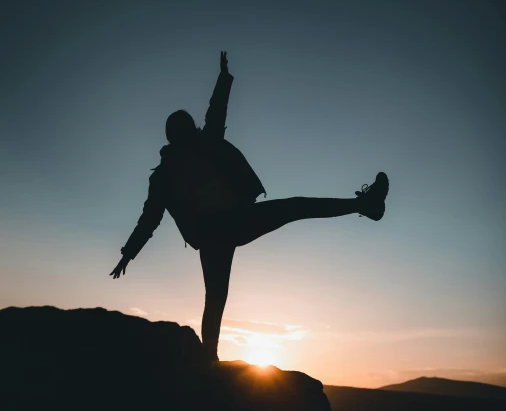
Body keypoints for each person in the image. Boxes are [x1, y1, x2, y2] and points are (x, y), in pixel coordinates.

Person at [110, 52, 389, 364]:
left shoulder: (206, 145)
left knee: (294, 208)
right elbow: (150, 217)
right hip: (215, 232)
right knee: (216, 296)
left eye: (188, 126)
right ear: (175, 135)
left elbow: (216, 111)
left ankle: (366, 204)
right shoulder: (163, 176)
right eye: (184, 128)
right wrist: (128, 253)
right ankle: (209, 363)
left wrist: (224, 77)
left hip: (235, 219)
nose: (190, 130)